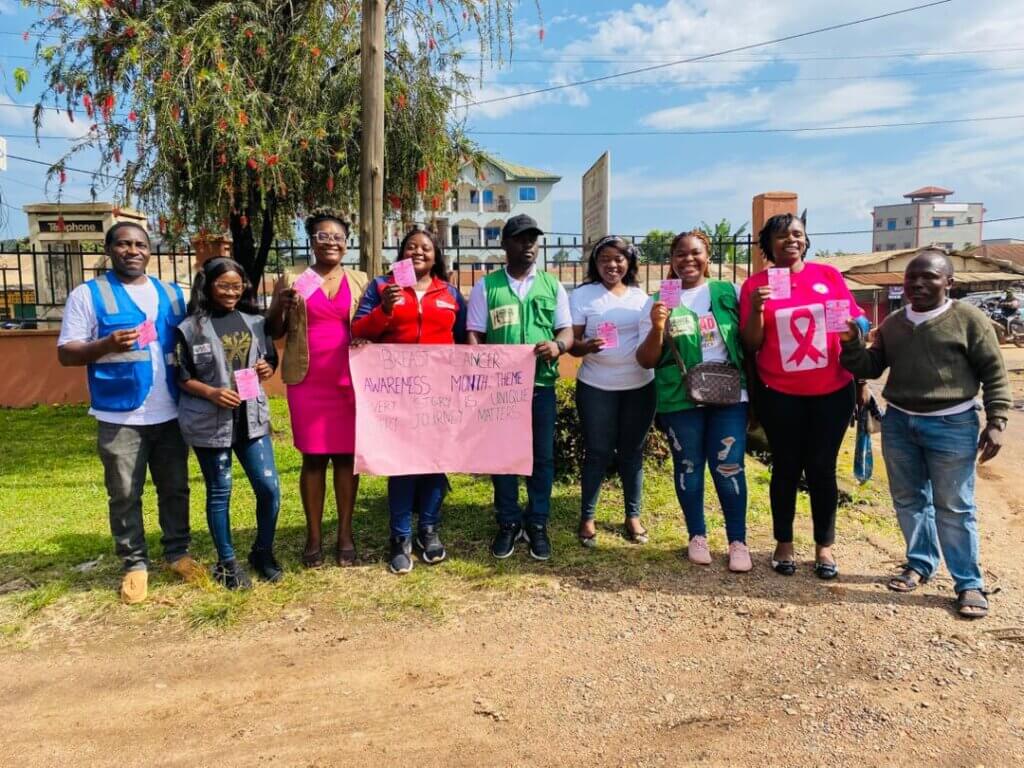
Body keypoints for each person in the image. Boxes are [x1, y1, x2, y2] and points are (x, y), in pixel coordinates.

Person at [840, 248, 1010, 619]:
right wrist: (851, 343)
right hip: (900, 422)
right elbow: (870, 365)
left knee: (954, 505)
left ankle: (968, 583)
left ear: (949, 281)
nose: (917, 283)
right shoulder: (895, 324)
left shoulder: (969, 319)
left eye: (929, 277)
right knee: (909, 500)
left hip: (952, 424)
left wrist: (997, 421)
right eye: (911, 277)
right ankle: (920, 562)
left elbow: (994, 373)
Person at [57, 222, 201, 604]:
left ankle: (178, 553)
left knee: (175, 487)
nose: (132, 250)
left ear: (150, 251)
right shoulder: (89, 295)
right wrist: (104, 345)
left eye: (140, 244)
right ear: (109, 249)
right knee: (124, 493)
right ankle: (135, 564)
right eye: (123, 244)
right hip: (119, 414)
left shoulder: (171, 294)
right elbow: (65, 353)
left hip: (170, 411)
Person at [739, 213, 869, 579]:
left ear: (806, 240)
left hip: (832, 391)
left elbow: (859, 322)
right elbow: (751, 343)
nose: (790, 240)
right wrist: (759, 309)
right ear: (769, 244)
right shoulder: (754, 286)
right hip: (780, 392)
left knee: (822, 469)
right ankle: (783, 542)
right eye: (781, 236)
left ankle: (824, 546)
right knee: (785, 467)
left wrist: (854, 329)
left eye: (797, 234)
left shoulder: (827, 276)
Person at [352, 229, 467, 574]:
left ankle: (428, 531)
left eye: (426, 248)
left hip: (439, 393)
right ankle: (400, 536)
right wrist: (384, 310)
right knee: (401, 463)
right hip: (395, 393)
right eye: (411, 247)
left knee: (435, 461)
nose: (418, 252)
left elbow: (463, 342)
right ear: (400, 253)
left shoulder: (449, 293)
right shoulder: (381, 287)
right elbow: (359, 331)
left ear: (436, 256)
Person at [636, 230, 752, 572]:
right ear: (671, 260)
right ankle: (697, 535)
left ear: (708, 256)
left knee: (729, 465)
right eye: (680, 255)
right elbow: (645, 360)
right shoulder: (657, 300)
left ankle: (737, 541)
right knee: (688, 466)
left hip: (730, 394)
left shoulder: (728, 292)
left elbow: (750, 341)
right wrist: (657, 327)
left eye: (695, 253)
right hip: (679, 397)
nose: (688, 260)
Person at [466, 214, 574, 561]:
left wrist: (557, 347)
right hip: (501, 390)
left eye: (533, 239)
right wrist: (479, 363)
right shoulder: (488, 286)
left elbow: (566, 332)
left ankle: (538, 522)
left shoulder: (552, 285)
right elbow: (475, 333)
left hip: (540, 385)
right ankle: (509, 521)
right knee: (504, 457)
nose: (528, 245)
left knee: (541, 458)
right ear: (505, 244)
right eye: (520, 239)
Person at [267, 213, 368, 568]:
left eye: (338, 236)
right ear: (311, 240)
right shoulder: (294, 278)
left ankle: (344, 533)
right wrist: (282, 304)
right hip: (308, 381)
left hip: (349, 379)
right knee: (313, 458)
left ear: (347, 242)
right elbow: (273, 330)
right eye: (323, 235)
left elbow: (370, 324)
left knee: (345, 458)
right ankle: (313, 536)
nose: (331, 242)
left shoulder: (360, 280)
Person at [175, 258, 281, 590]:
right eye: (224, 286)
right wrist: (211, 393)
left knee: (269, 489)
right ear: (207, 286)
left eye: (237, 286)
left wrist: (267, 369)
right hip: (211, 421)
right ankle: (227, 562)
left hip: (251, 420)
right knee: (220, 491)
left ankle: (262, 552)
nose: (231, 292)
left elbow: (270, 359)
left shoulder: (256, 322)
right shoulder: (190, 328)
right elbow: (181, 376)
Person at [569, 235, 656, 548]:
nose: (612, 265)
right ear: (595, 263)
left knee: (633, 453)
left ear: (629, 262)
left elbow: (651, 340)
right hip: (596, 386)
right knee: (598, 452)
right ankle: (588, 517)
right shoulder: (583, 296)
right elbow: (572, 343)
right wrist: (584, 346)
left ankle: (633, 515)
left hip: (640, 386)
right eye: (604, 259)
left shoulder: (641, 297)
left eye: (619, 258)